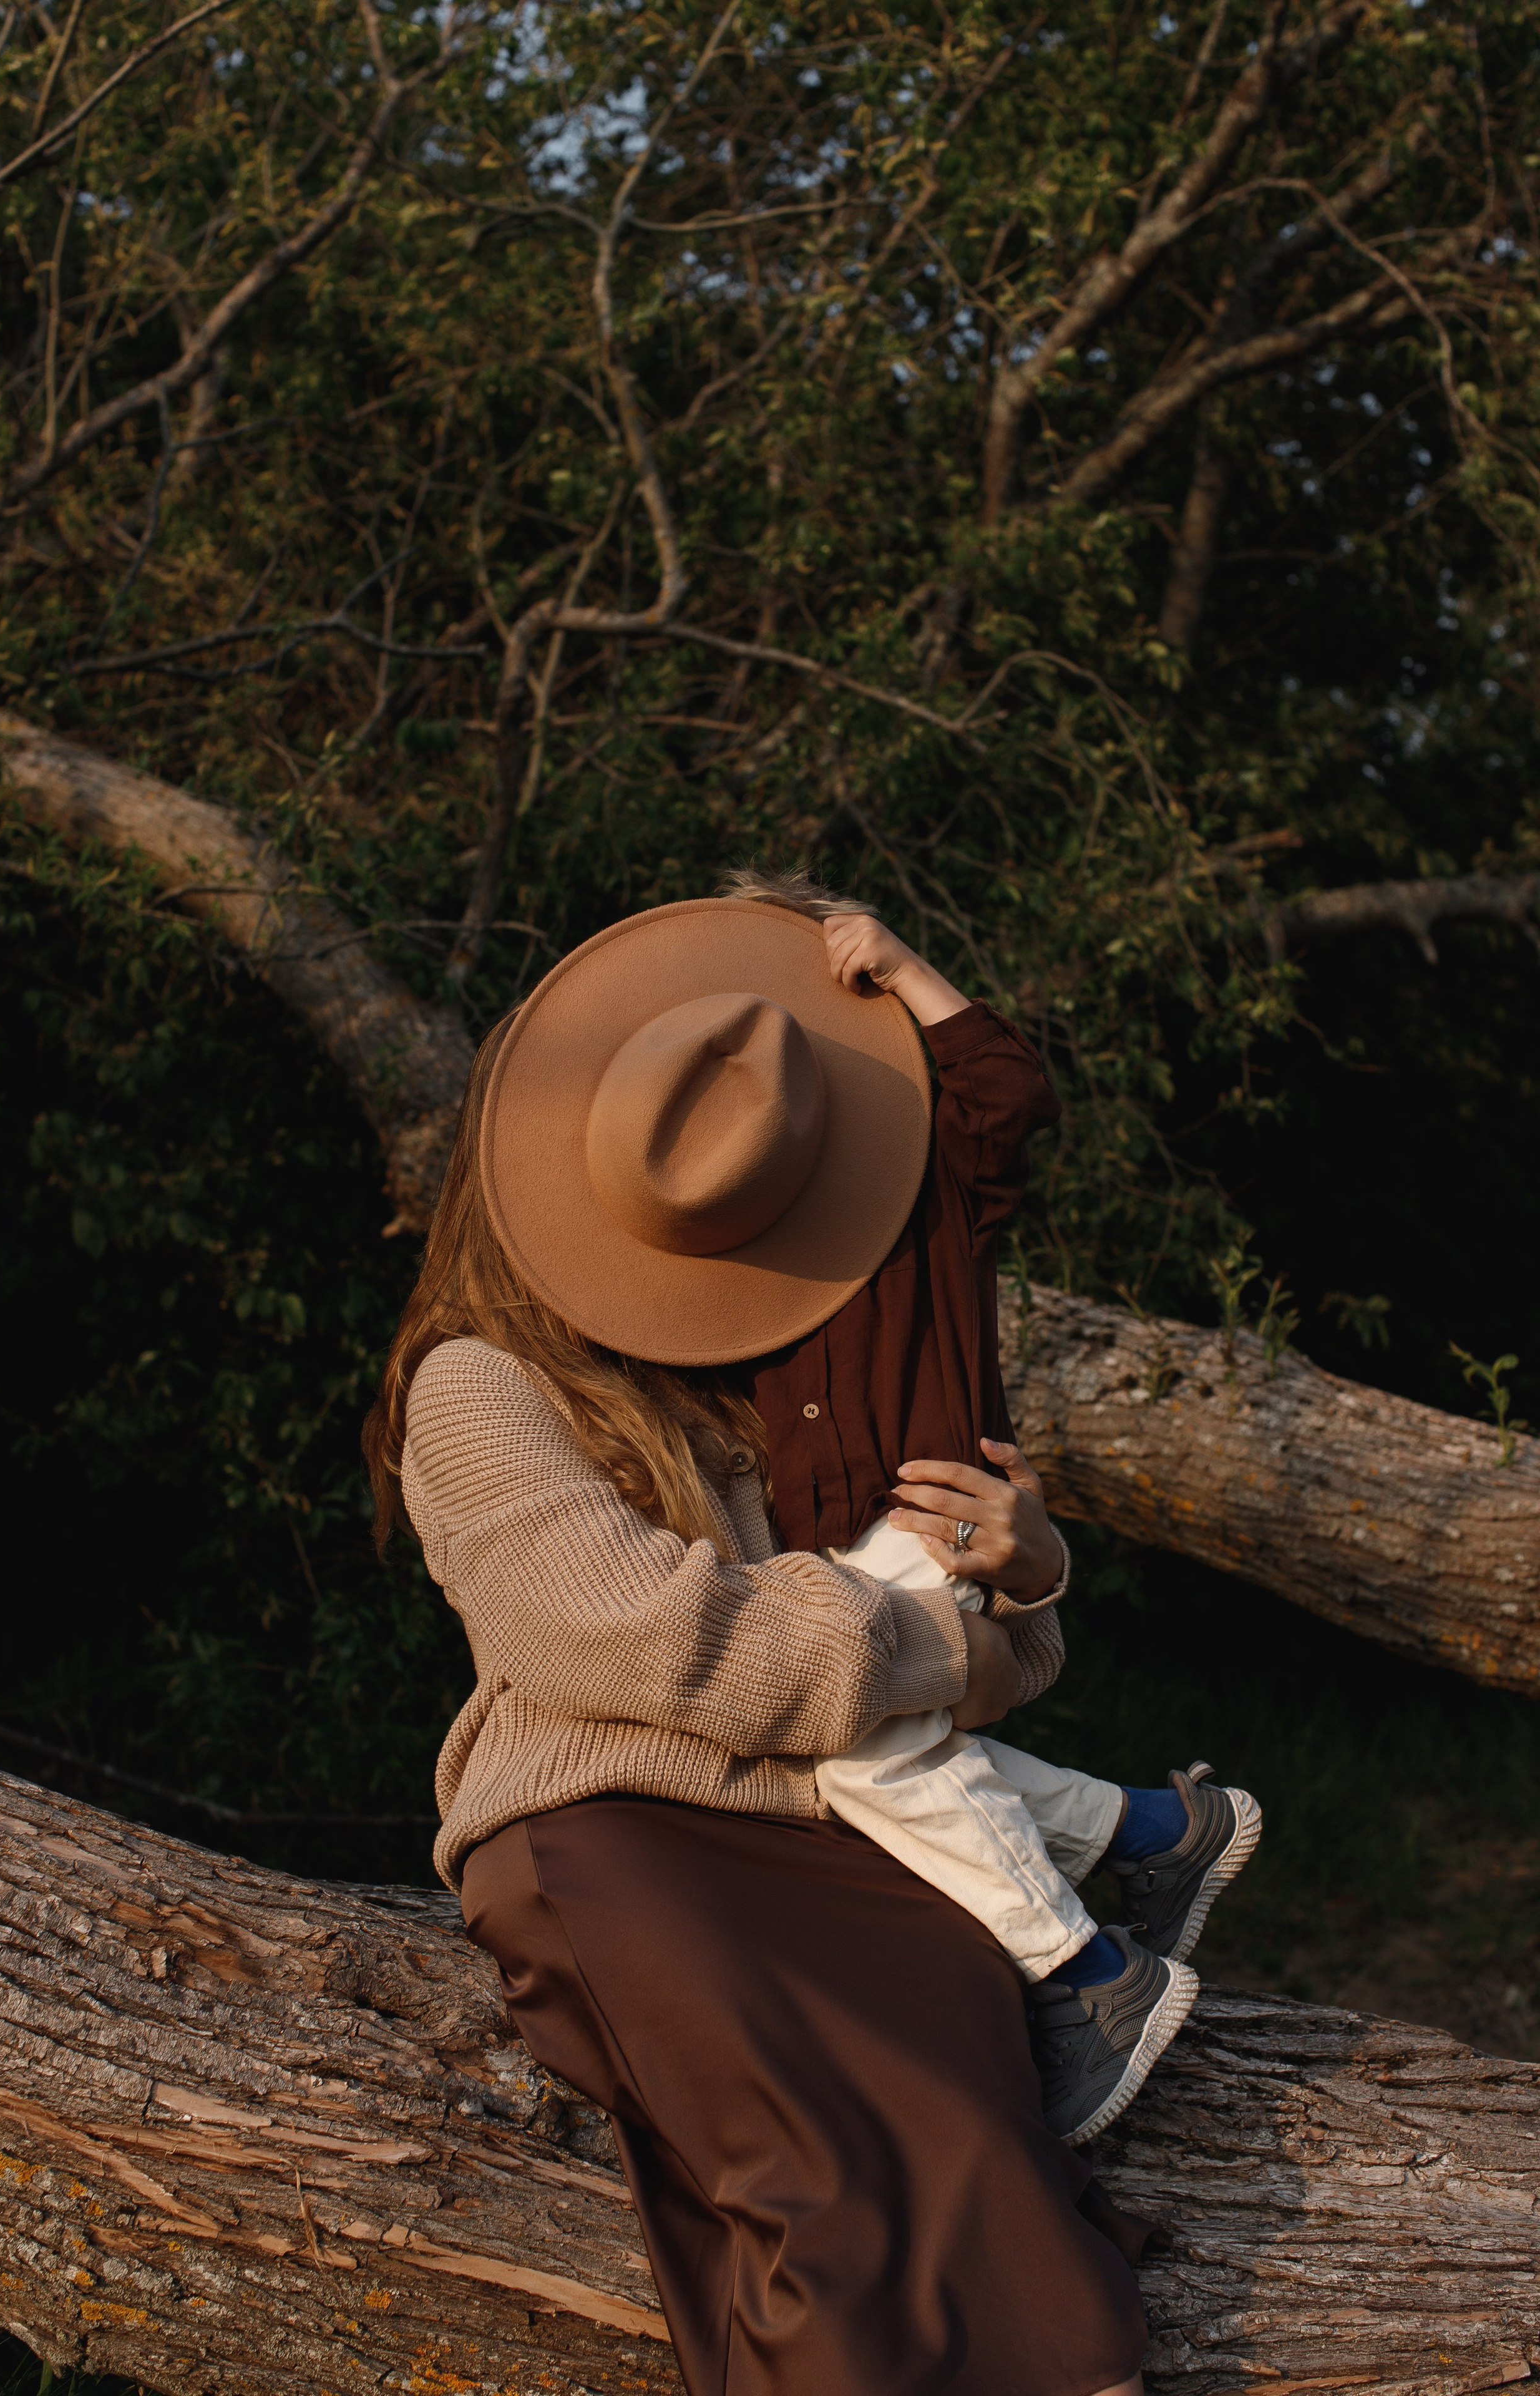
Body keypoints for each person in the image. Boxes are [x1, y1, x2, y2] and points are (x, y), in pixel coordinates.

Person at [364, 893, 1154, 2396]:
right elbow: (656, 1644)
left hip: (806, 1818)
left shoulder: (746, 1392)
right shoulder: (473, 1386)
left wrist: (1029, 1580)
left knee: (975, 2136)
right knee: (833, 2195)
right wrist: (927, 1633)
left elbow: (941, 1673)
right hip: (608, 1828)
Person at [723, 870, 1262, 2144]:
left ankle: (1089, 1978)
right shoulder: (716, 1279)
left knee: (854, 1742)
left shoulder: (917, 1181)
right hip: (831, 1563)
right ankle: (1149, 1830)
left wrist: (902, 967)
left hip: (935, 1518)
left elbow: (1006, 1092)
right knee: (846, 1745)